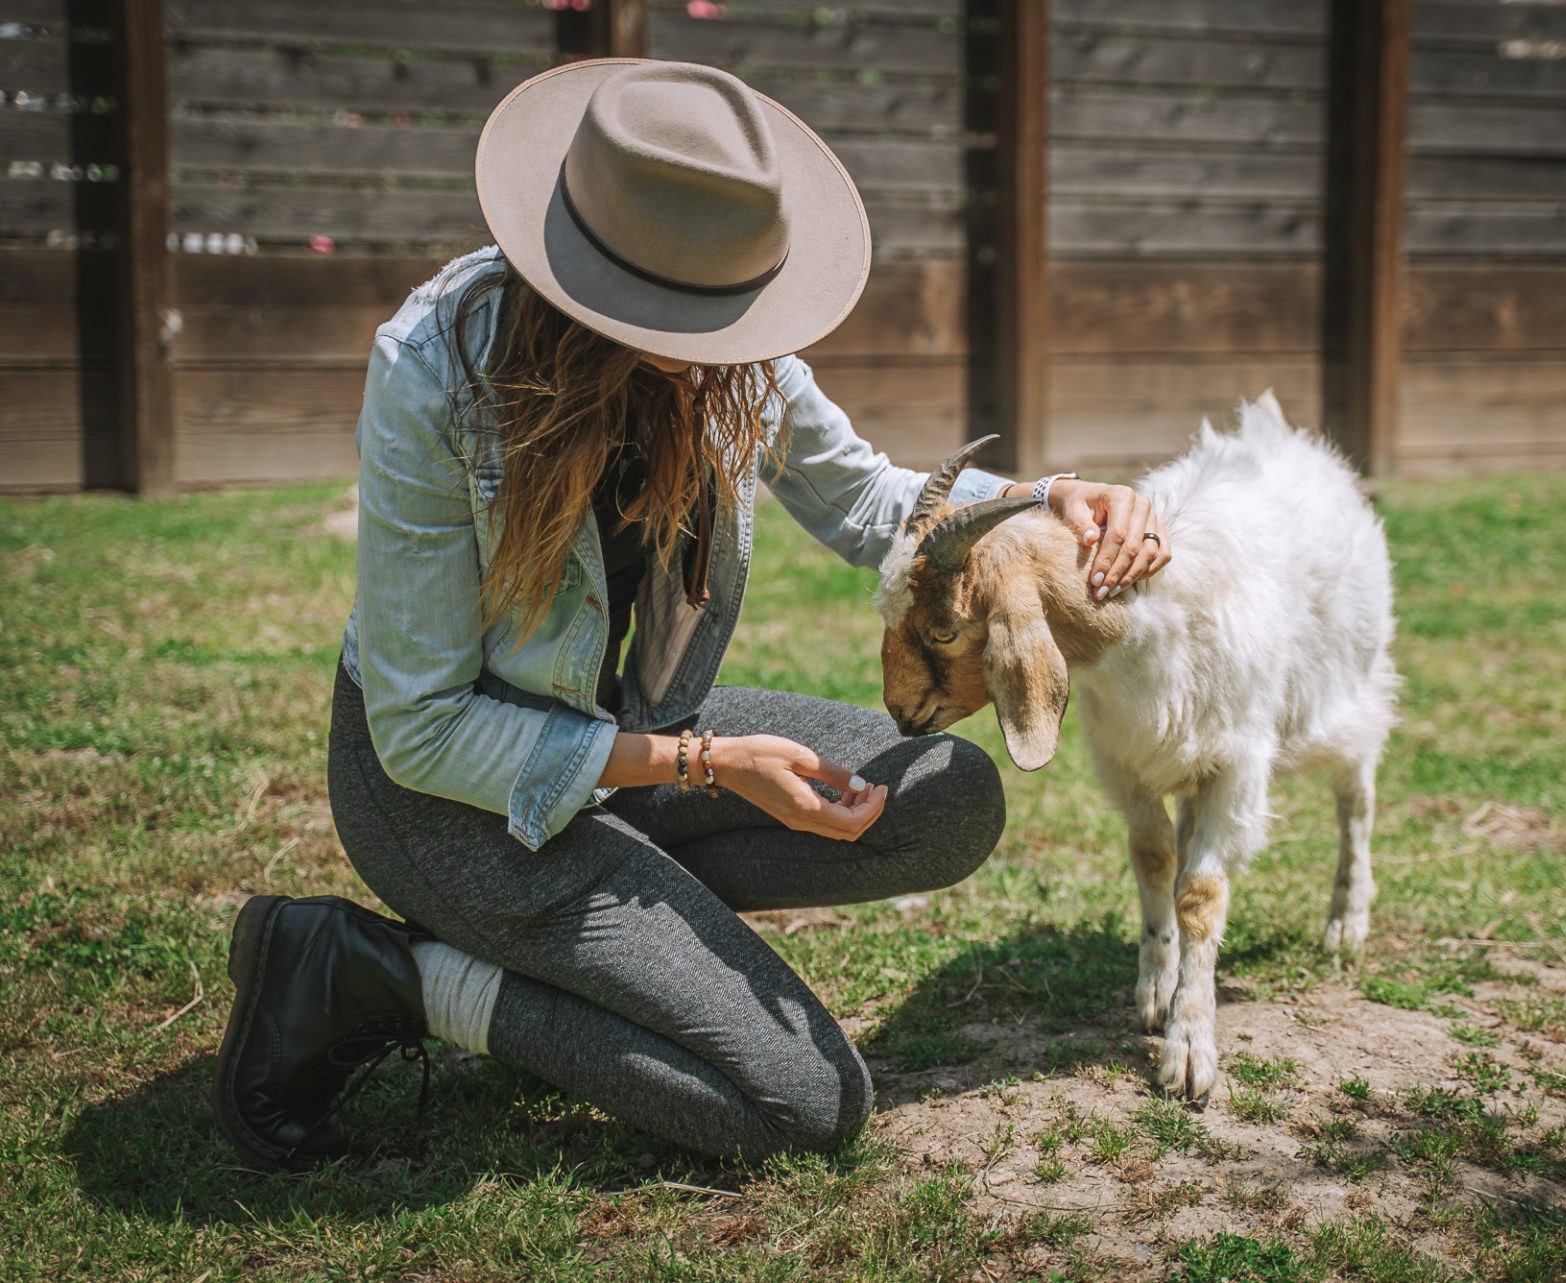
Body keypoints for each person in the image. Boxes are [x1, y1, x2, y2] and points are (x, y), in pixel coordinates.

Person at [210, 59, 1173, 1169]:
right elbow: (421, 727)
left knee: (948, 799)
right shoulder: (436, 374)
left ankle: (590, 940)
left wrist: (1049, 496)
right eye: (706, 314)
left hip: (618, 741)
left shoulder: (735, 348)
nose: (749, 342)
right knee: (803, 1105)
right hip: (437, 796)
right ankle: (386, 975)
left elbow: (869, 501)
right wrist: (704, 761)